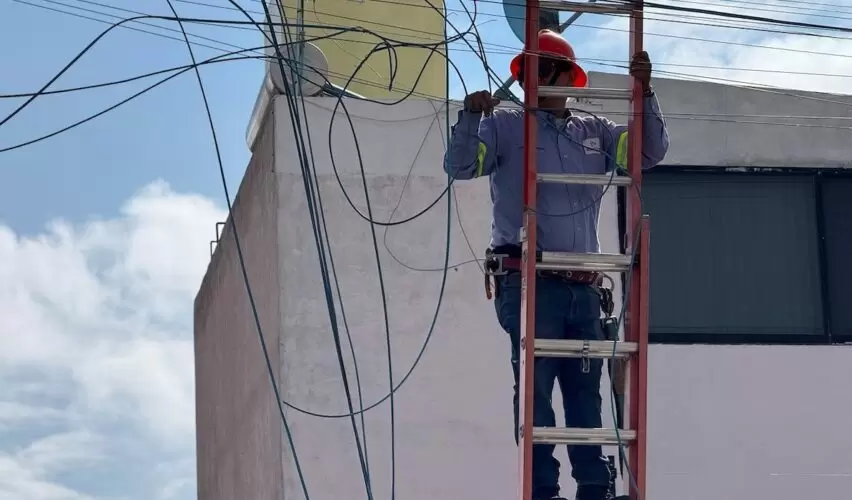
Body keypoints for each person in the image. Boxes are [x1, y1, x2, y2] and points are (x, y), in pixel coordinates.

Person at [442, 30, 669, 500]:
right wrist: (468, 117)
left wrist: (644, 94)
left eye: (547, 70)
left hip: (583, 288)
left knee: (585, 395)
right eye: (530, 72)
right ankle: (543, 489)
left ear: (568, 77)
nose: (537, 80)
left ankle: (593, 487)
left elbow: (647, 152)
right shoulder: (505, 127)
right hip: (527, 282)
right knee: (536, 391)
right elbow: (461, 165)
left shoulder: (596, 132)